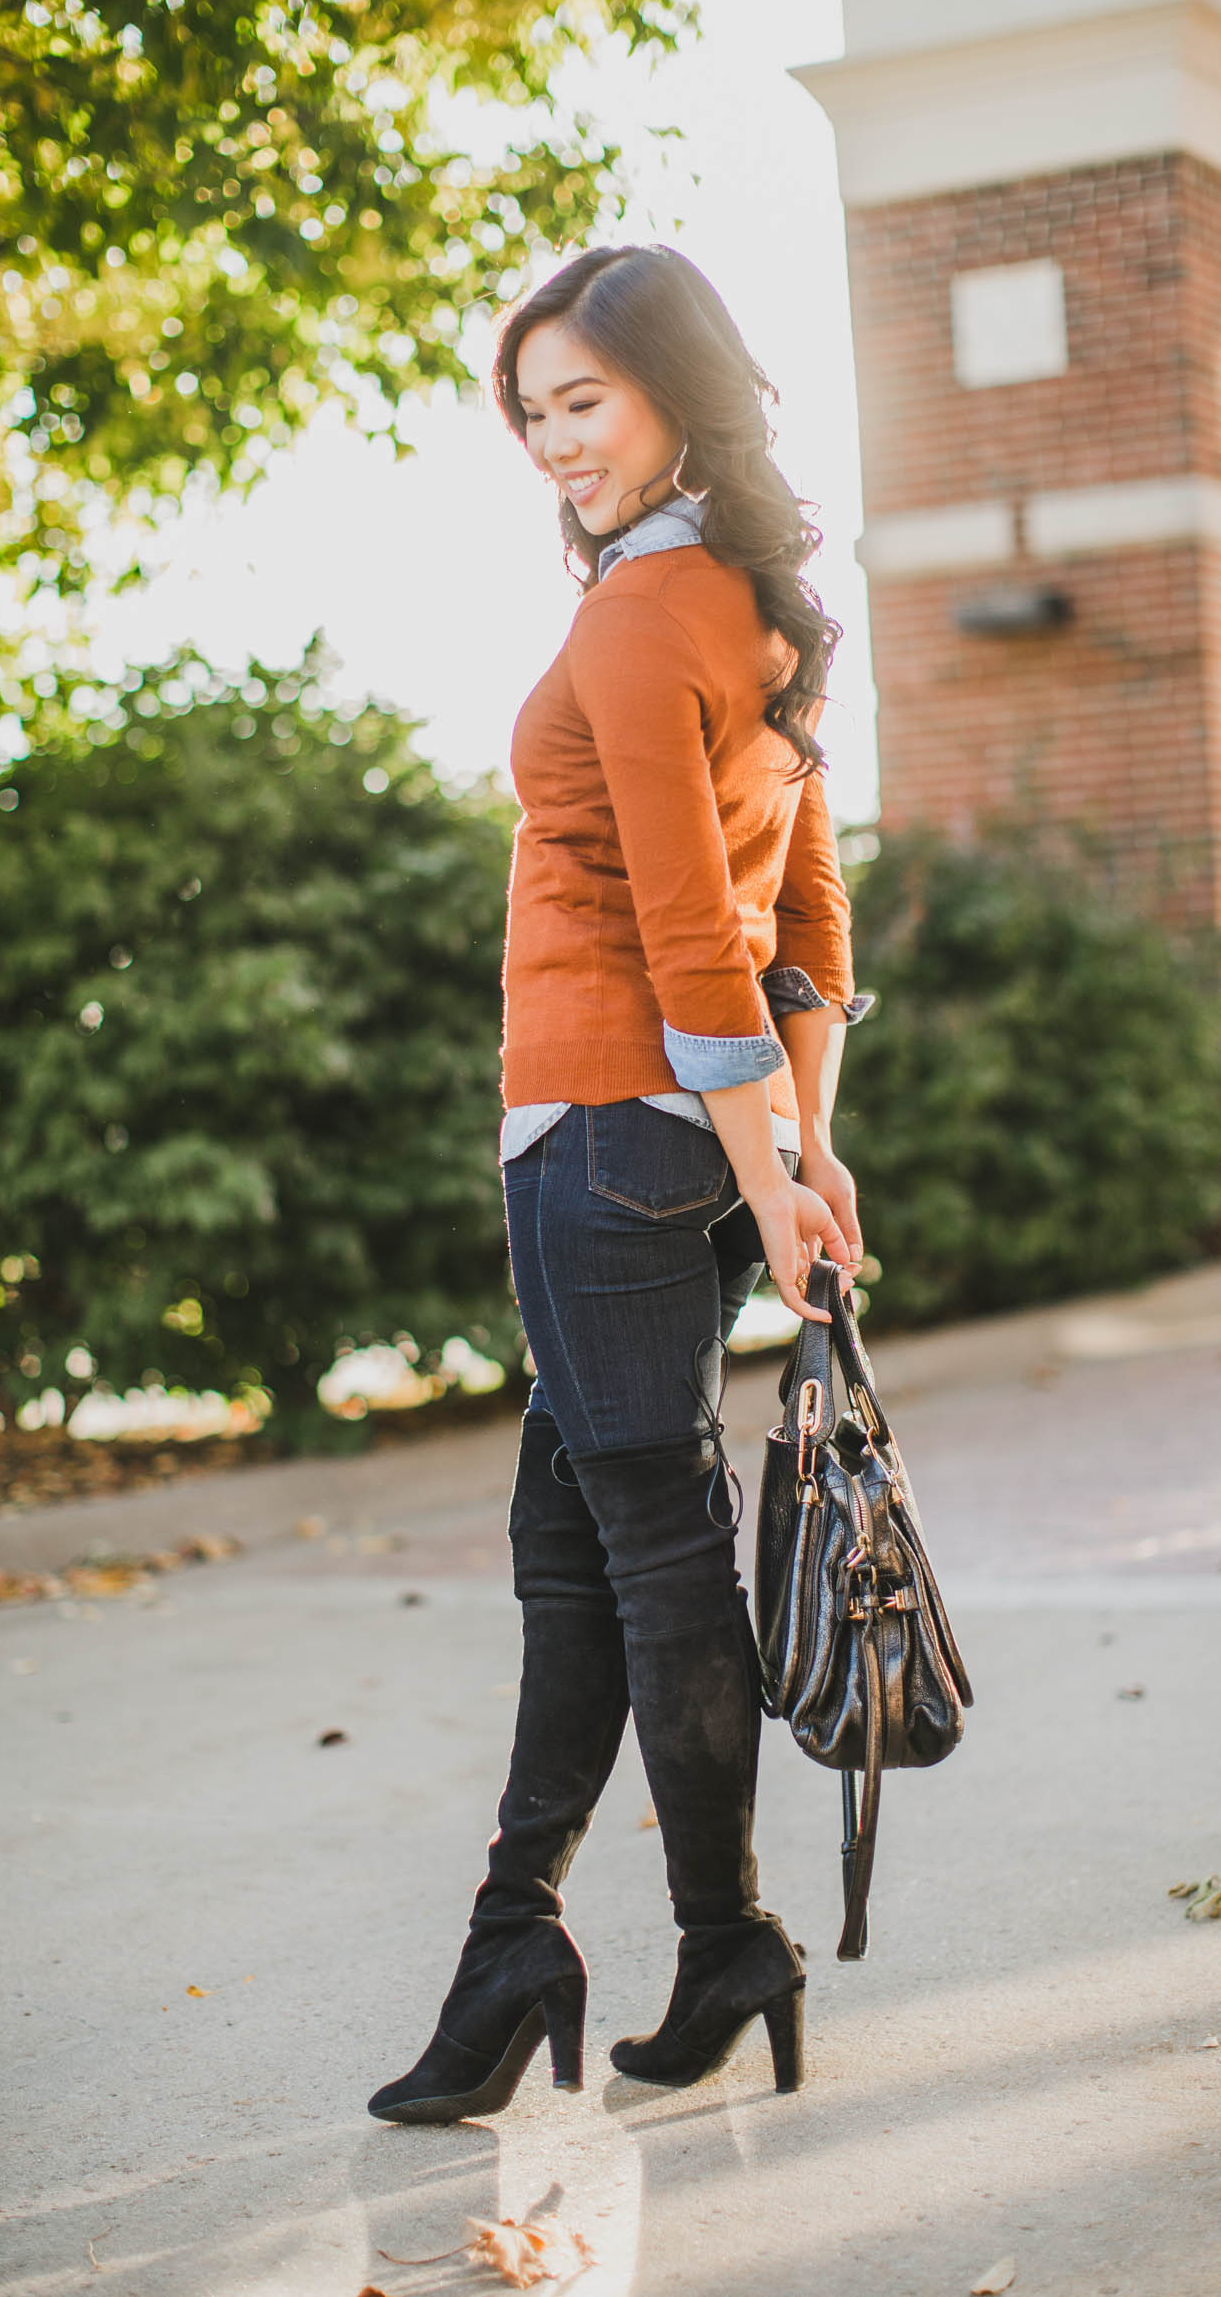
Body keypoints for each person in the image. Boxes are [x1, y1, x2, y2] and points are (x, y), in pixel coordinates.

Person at [368, 244, 868, 2126]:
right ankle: (523, 1940)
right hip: (694, 1153)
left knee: (648, 1552)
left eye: (582, 398)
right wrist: (798, 1154)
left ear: (674, 387)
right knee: (573, 1537)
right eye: (532, 411)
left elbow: (690, 935)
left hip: (601, 1131)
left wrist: (785, 1167)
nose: (553, 439)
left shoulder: (638, 621)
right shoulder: (765, 615)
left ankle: (710, 1931)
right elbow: (805, 912)